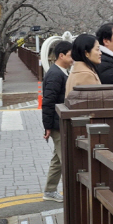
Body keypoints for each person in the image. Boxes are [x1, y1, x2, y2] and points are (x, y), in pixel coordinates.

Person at [41, 41, 73, 202]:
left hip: (57, 122)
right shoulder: (55, 74)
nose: (73, 58)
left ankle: (50, 190)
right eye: (70, 54)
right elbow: (48, 101)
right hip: (56, 123)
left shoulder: (61, 72)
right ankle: (71, 192)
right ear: (61, 55)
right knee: (66, 159)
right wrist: (47, 126)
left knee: (58, 159)